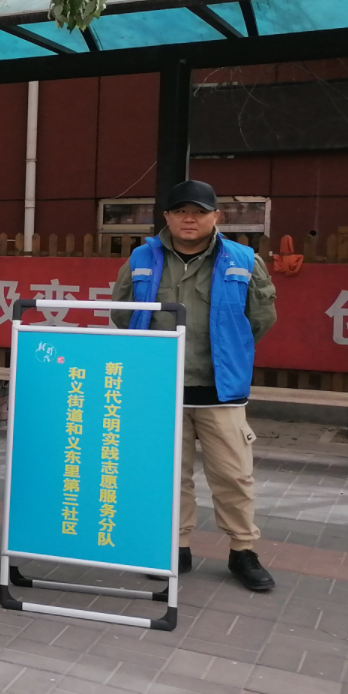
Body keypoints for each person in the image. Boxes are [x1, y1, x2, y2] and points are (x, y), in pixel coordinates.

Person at [110, 180, 278, 591]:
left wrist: (229, 351)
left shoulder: (244, 259)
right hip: (161, 389)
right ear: (167, 216)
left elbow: (261, 318)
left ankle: (242, 550)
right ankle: (177, 545)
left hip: (220, 391)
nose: (190, 219)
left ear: (216, 216)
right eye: (181, 211)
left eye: (200, 212)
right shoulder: (142, 257)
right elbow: (122, 311)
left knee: (234, 475)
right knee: (170, 475)